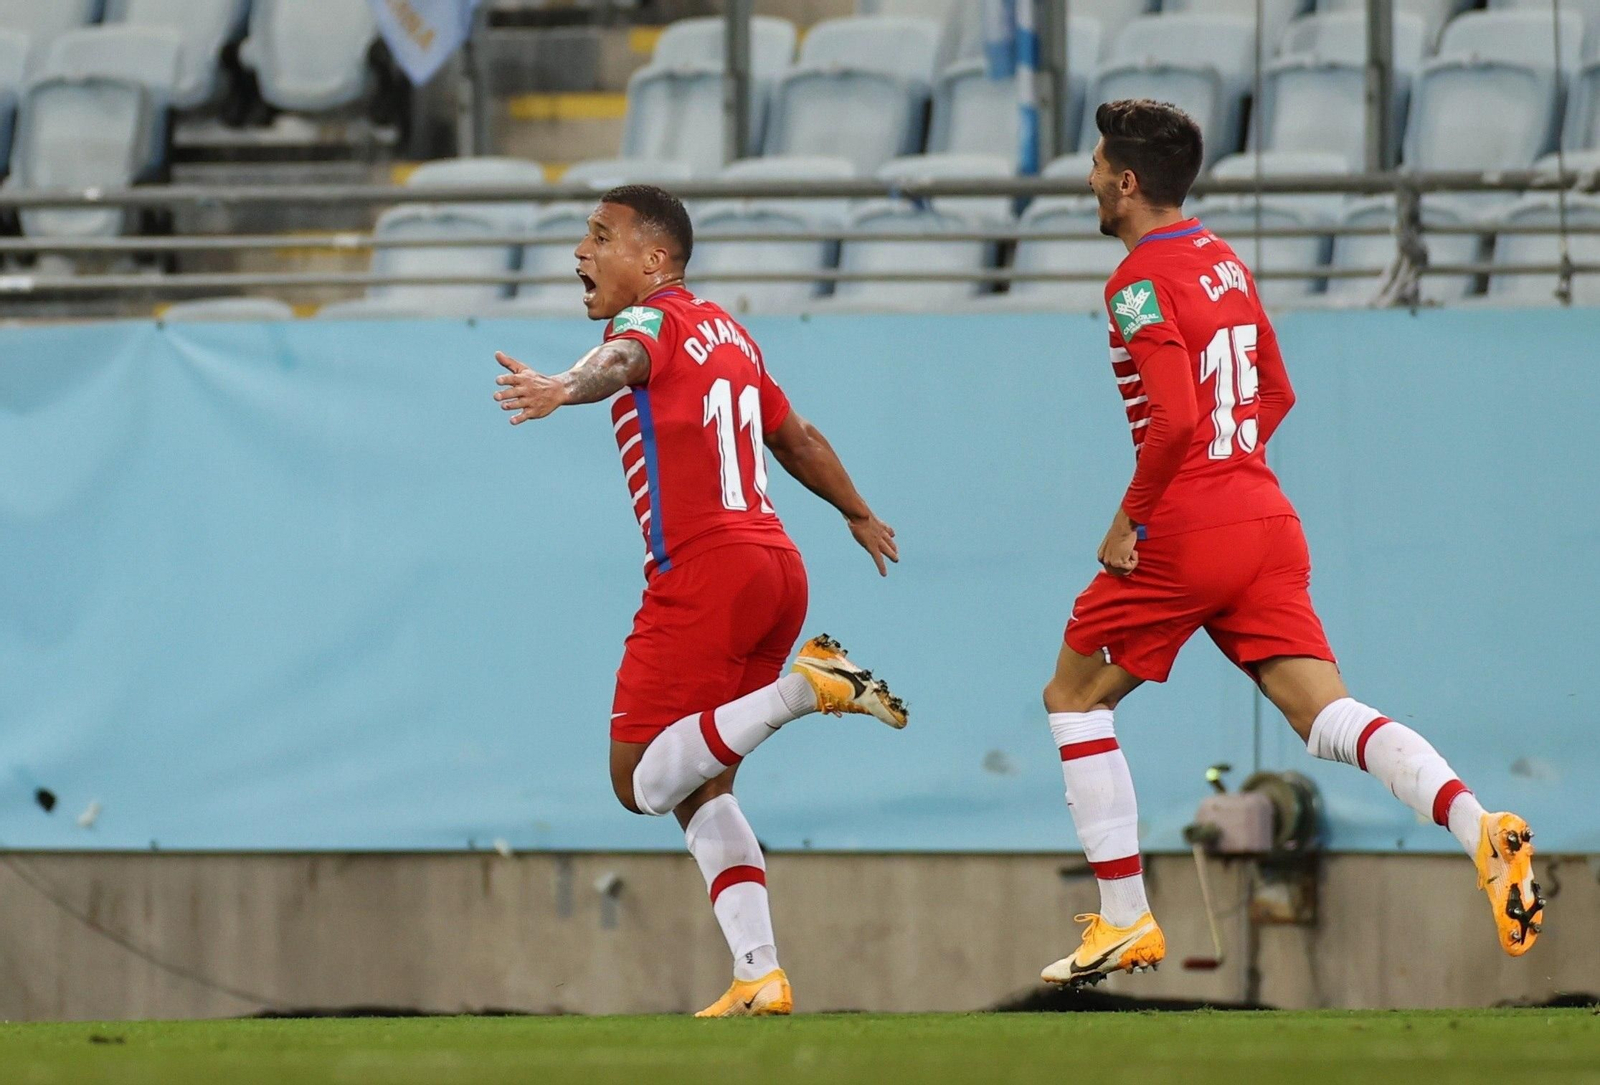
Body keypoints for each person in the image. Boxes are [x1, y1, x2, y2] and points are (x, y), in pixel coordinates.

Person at [1039, 100, 1545, 986]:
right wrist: (1231, 476)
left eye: (1096, 167)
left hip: (1185, 523)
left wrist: (1132, 518)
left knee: (1074, 698)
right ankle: (1480, 826)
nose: (1088, 179)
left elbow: (1175, 419)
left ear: (1126, 182)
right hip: (1265, 517)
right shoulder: (1223, 261)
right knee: (1326, 715)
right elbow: (1275, 391)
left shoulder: (1136, 282)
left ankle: (1123, 919)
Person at [491, 184, 907, 1016]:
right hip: (777, 567)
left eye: (600, 236)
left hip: (707, 572)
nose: (580, 252)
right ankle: (759, 972)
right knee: (702, 786)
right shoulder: (732, 333)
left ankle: (808, 687)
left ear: (655, 259)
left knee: (639, 780)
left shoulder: (648, 321)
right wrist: (857, 511)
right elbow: (796, 438)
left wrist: (561, 387)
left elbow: (622, 360)